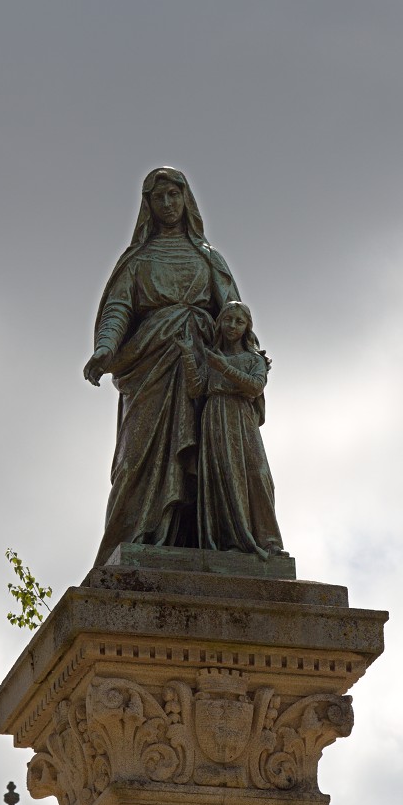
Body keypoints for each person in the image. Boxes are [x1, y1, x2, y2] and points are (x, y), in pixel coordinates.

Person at [84, 167, 240, 566]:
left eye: (175, 195)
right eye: (160, 197)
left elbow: (234, 315)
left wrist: (247, 362)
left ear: (185, 199)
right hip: (150, 363)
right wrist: (104, 350)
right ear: (148, 205)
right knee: (135, 459)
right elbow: (118, 307)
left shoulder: (209, 259)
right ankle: (133, 539)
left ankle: (202, 542)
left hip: (202, 366)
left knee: (210, 459)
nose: (168, 204)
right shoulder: (138, 260)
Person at [175, 301, 285, 558]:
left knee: (258, 475)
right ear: (219, 323)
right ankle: (230, 541)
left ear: (247, 327)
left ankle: (269, 541)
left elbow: (255, 387)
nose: (232, 326)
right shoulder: (211, 356)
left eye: (239, 321)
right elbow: (195, 388)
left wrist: (223, 367)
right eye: (228, 320)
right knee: (224, 476)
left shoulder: (253, 359)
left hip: (242, 419)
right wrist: (188, 354)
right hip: (215, 417)